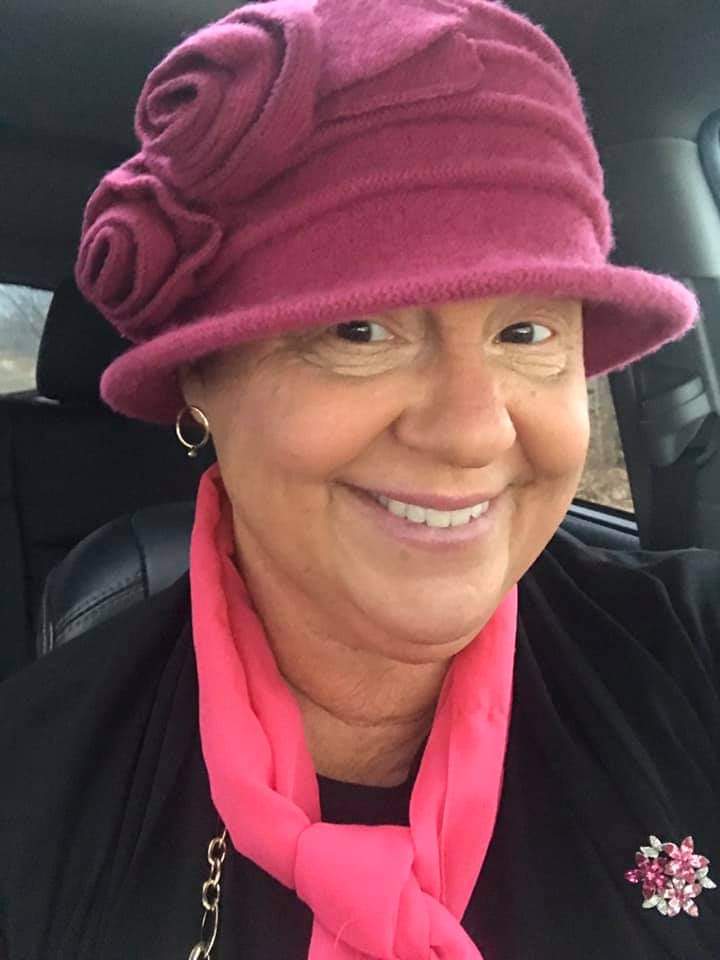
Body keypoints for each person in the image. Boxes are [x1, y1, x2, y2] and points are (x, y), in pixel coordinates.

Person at [1, 1, 718, 958]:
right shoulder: (32, 797)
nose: (472, 431)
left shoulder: (693, 654)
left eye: (525, 332)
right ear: (200, 382)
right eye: (361, 331)